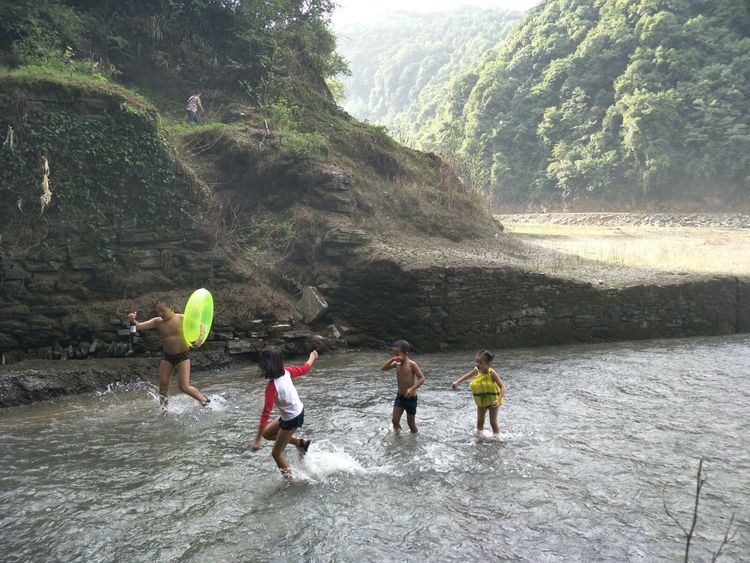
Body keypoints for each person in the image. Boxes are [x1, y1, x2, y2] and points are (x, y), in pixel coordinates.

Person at [128, 297, 209, 414]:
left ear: (171, 308)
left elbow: (202, 325)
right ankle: (164, 411)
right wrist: (132, 321)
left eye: (163, 311)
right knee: (163, 386)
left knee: (184, 386)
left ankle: (204, 400)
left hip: (183, 356)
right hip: (167, 357)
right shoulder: (158, 321)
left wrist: (200, 338)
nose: (161, 314)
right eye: (158, 312)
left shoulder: (183, 318)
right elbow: (138, 327)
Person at [251, 346, 319, 480]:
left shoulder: (272, 387)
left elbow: (265, 414)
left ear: (265, 365)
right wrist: (312, 357)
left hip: (292, 418)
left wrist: (257, 440)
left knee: (276, 453)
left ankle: (289, 481)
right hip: (295, 411)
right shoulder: (287, 371)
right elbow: (304, 369)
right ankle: (301, 443)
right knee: (267, 433)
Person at [451, 350, 506, 439]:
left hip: (493, 402)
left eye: (481, 362)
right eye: (476, 361)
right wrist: (457, 382)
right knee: (480, 421)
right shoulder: (477, 370)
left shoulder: (491, 373)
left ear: (488, 364)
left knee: (493, 421)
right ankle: (479, 437)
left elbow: (503, 388)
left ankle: (497, 438)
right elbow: (468, 375)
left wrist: (498, 400)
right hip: (481, 401)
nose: (477, 364)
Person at [380, 339, 426, 433]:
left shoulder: (412, 364)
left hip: (410, 398)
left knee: (411, 424)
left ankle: (415, 441)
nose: (396, 357)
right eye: (394, 354)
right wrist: (392, 359)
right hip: (400, 397)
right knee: (395, 421)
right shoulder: (396, 364)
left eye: (398, 354)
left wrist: (412, 389)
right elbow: (383, 368)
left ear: (406, 353)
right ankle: (398, 439)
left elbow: (422, 378)